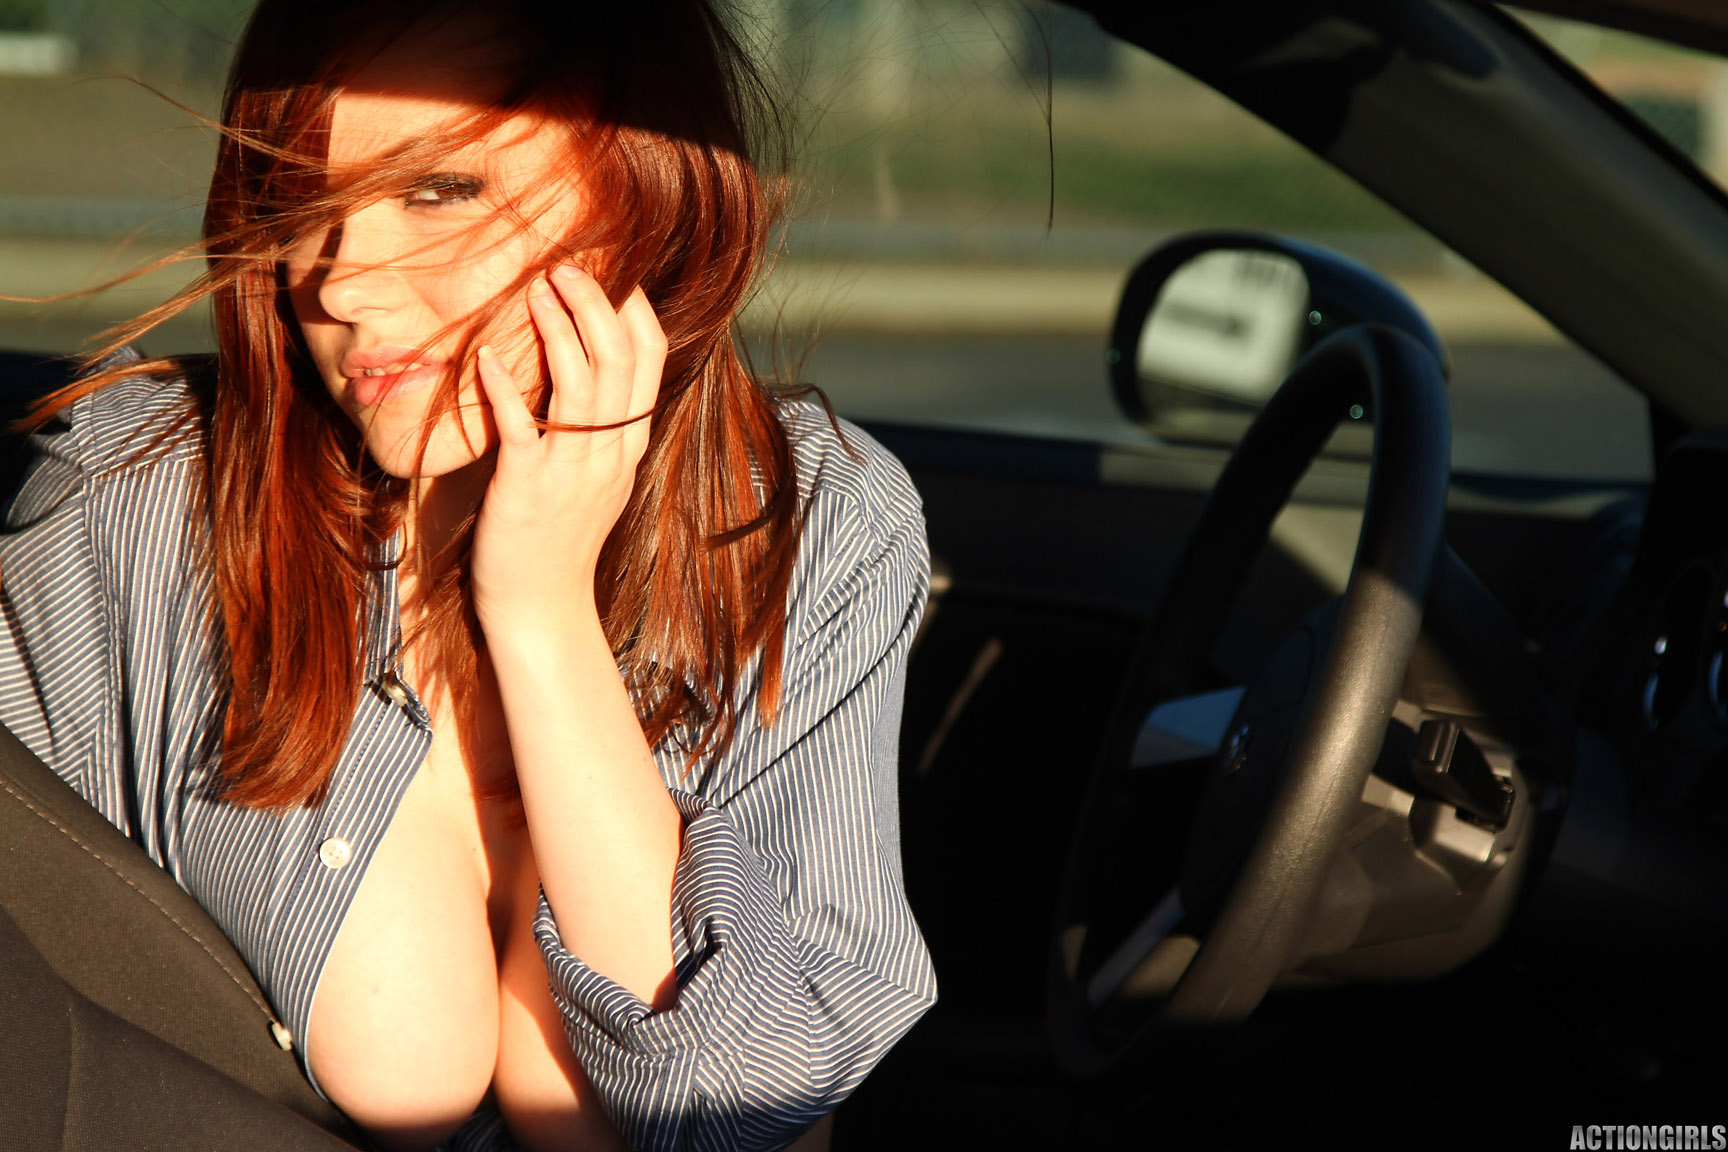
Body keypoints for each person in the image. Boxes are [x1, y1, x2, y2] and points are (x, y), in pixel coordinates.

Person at [0, 0, 936, 1148]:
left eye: (438, 190)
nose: (340, 285)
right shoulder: (139, 502)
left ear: (646, 190)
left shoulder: (809, 519)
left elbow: (739, 1100)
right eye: (298, 205)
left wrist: (540, 612)